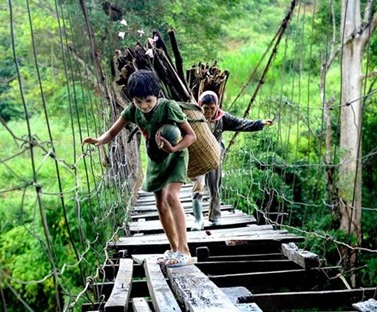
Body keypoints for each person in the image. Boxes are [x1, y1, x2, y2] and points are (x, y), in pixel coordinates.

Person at [82, 70, 197, 267]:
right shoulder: (132, 111)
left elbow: (191, 136)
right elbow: (112, 131)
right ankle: (173, 248)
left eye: (148, 101)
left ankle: (184, 251)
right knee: (160, 204)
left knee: (171, 196)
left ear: (157, 96)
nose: (144, 106)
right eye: (138, 101)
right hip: (155, 155)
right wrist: (99, 141)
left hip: (176, 154)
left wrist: (174, 148)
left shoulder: (169, 107)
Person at [191, 91, 274, 230]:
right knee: (198, 188)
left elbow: (240, 123)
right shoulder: (195, 118)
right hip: (198, 158)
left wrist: (259, 123)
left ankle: (215, 217)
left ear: (217, 106)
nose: (209, 111)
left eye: (212, 108)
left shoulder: (222, 118)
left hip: (214, 157)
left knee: (214, 187)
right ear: (200, 106)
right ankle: (198, 220)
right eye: (206, 108)